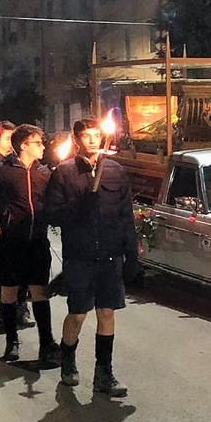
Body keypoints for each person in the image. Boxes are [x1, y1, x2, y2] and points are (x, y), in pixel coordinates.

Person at [44, 116, 140, 396]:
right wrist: (78, 207)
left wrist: (131, 254)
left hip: (110, 256)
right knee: (77, 314)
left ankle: (104, 373)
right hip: (80, 256)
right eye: (86, 136)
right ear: (76, 140)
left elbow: (126, 215)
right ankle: (68, 360)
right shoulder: (64, 173)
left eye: (96, 135)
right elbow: (51, 214)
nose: (93, 140)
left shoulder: (115, 171)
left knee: (107, 312)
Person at [0, 124, 58, 364]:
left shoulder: (44, 172)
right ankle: (11, 341)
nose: (43, 147)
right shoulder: (3, 170)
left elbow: (53, 202)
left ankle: (46, 344)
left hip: (37, 242)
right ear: (24, 145)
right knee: (9, 292)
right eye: (38, 143)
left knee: (39, 293)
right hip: (10, 242)